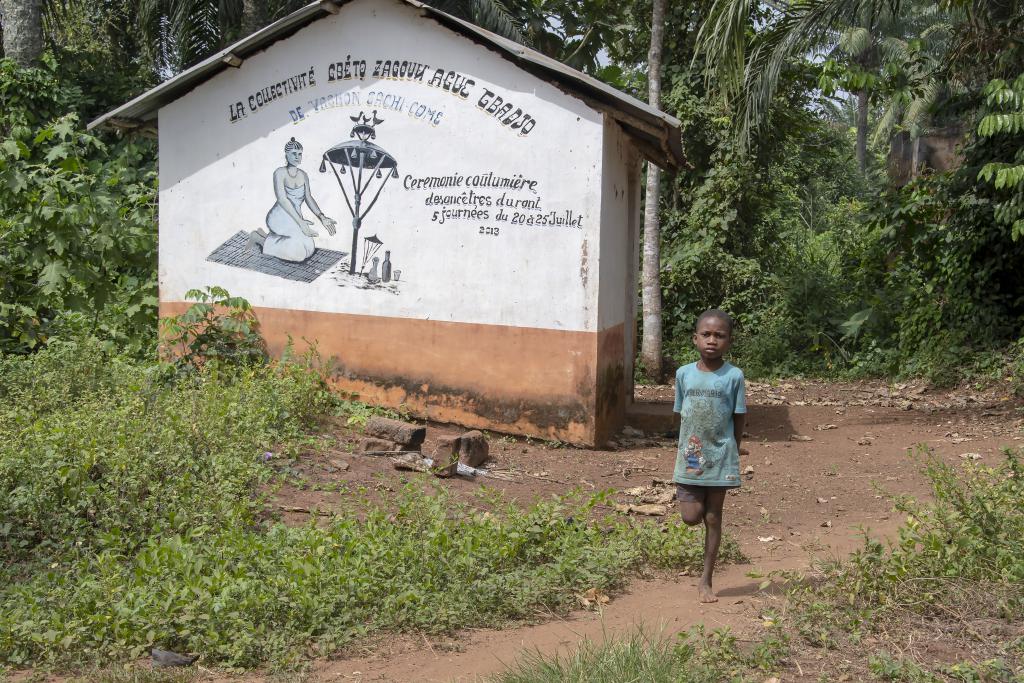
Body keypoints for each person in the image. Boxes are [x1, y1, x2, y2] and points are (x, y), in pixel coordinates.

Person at [672, 309, 746, 603]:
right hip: (690, 456)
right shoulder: (683, 374)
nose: (712, 340)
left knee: (714, 517)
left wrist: (735, 449)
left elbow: (739, 417)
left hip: (721, 457)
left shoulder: (734, 376)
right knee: (691, 517)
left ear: (729, 341)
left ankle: (706, 580)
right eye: (706, 334)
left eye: (720, 335)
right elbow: (680, 414)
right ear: (695, 339)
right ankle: (694, 504)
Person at [248, 137, 336, 262]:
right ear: (286, 154)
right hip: (279, 216)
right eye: (293, 154)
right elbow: (283, 199)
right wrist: (301, 223)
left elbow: (308, 197)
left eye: (300, 154)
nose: (297, 157)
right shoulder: (280, 173)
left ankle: (270, 238)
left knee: (309, 249)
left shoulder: (303, 175)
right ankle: (260, 239)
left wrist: (322, 217)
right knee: (299, 254)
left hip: (296, 217)